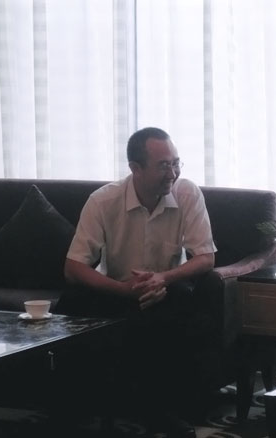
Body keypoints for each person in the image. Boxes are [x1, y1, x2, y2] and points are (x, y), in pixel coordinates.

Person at [56, 127, 216, 438]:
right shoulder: (104, 201)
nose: (173, 173)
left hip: (166, 289)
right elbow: (73, 267)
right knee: (70, 303)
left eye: (176, 163)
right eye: (163, 166)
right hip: (116, 290)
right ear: (135, 168)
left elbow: (206, 258)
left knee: (182, 305)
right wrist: (122, 290)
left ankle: (161, 414)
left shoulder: (187, 193)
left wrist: (162, 278)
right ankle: (68, 409)